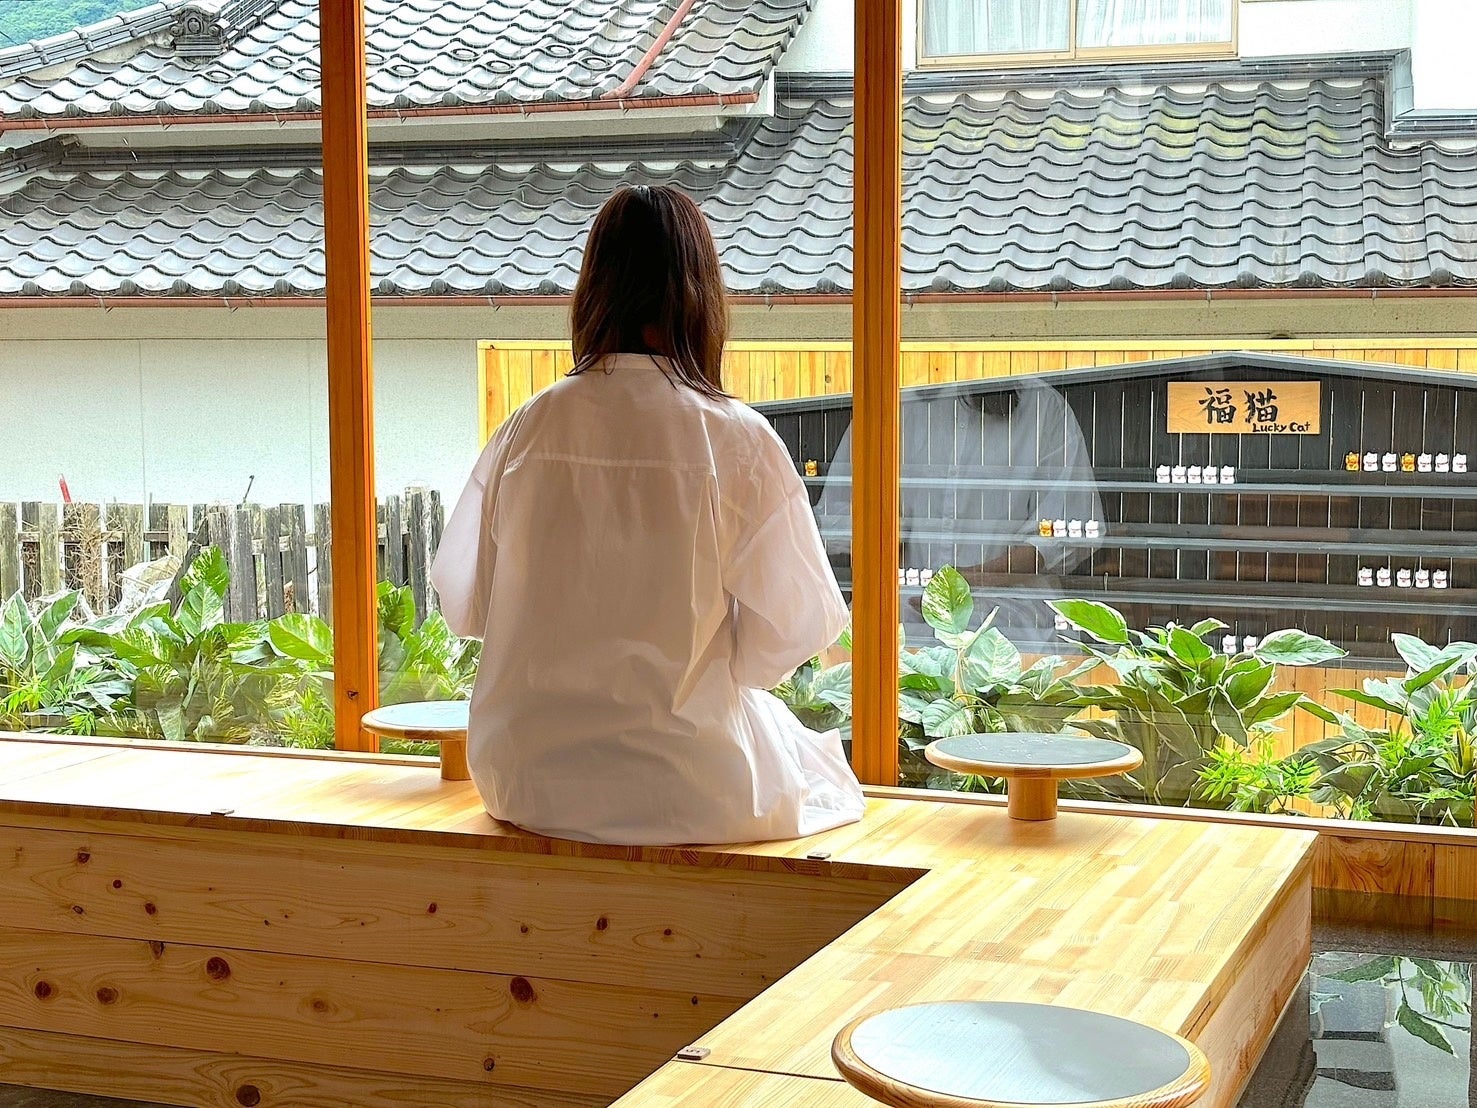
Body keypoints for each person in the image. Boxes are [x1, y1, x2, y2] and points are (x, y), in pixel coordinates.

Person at [430, 184, 864, 846]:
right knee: (813, 767)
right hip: (688, 787)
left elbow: (465, 606)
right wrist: (713, 666)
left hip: (528, 780)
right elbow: (795, 627)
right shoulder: (736, 438)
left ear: (594, 288)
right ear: (700, 294)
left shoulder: (528, 427)